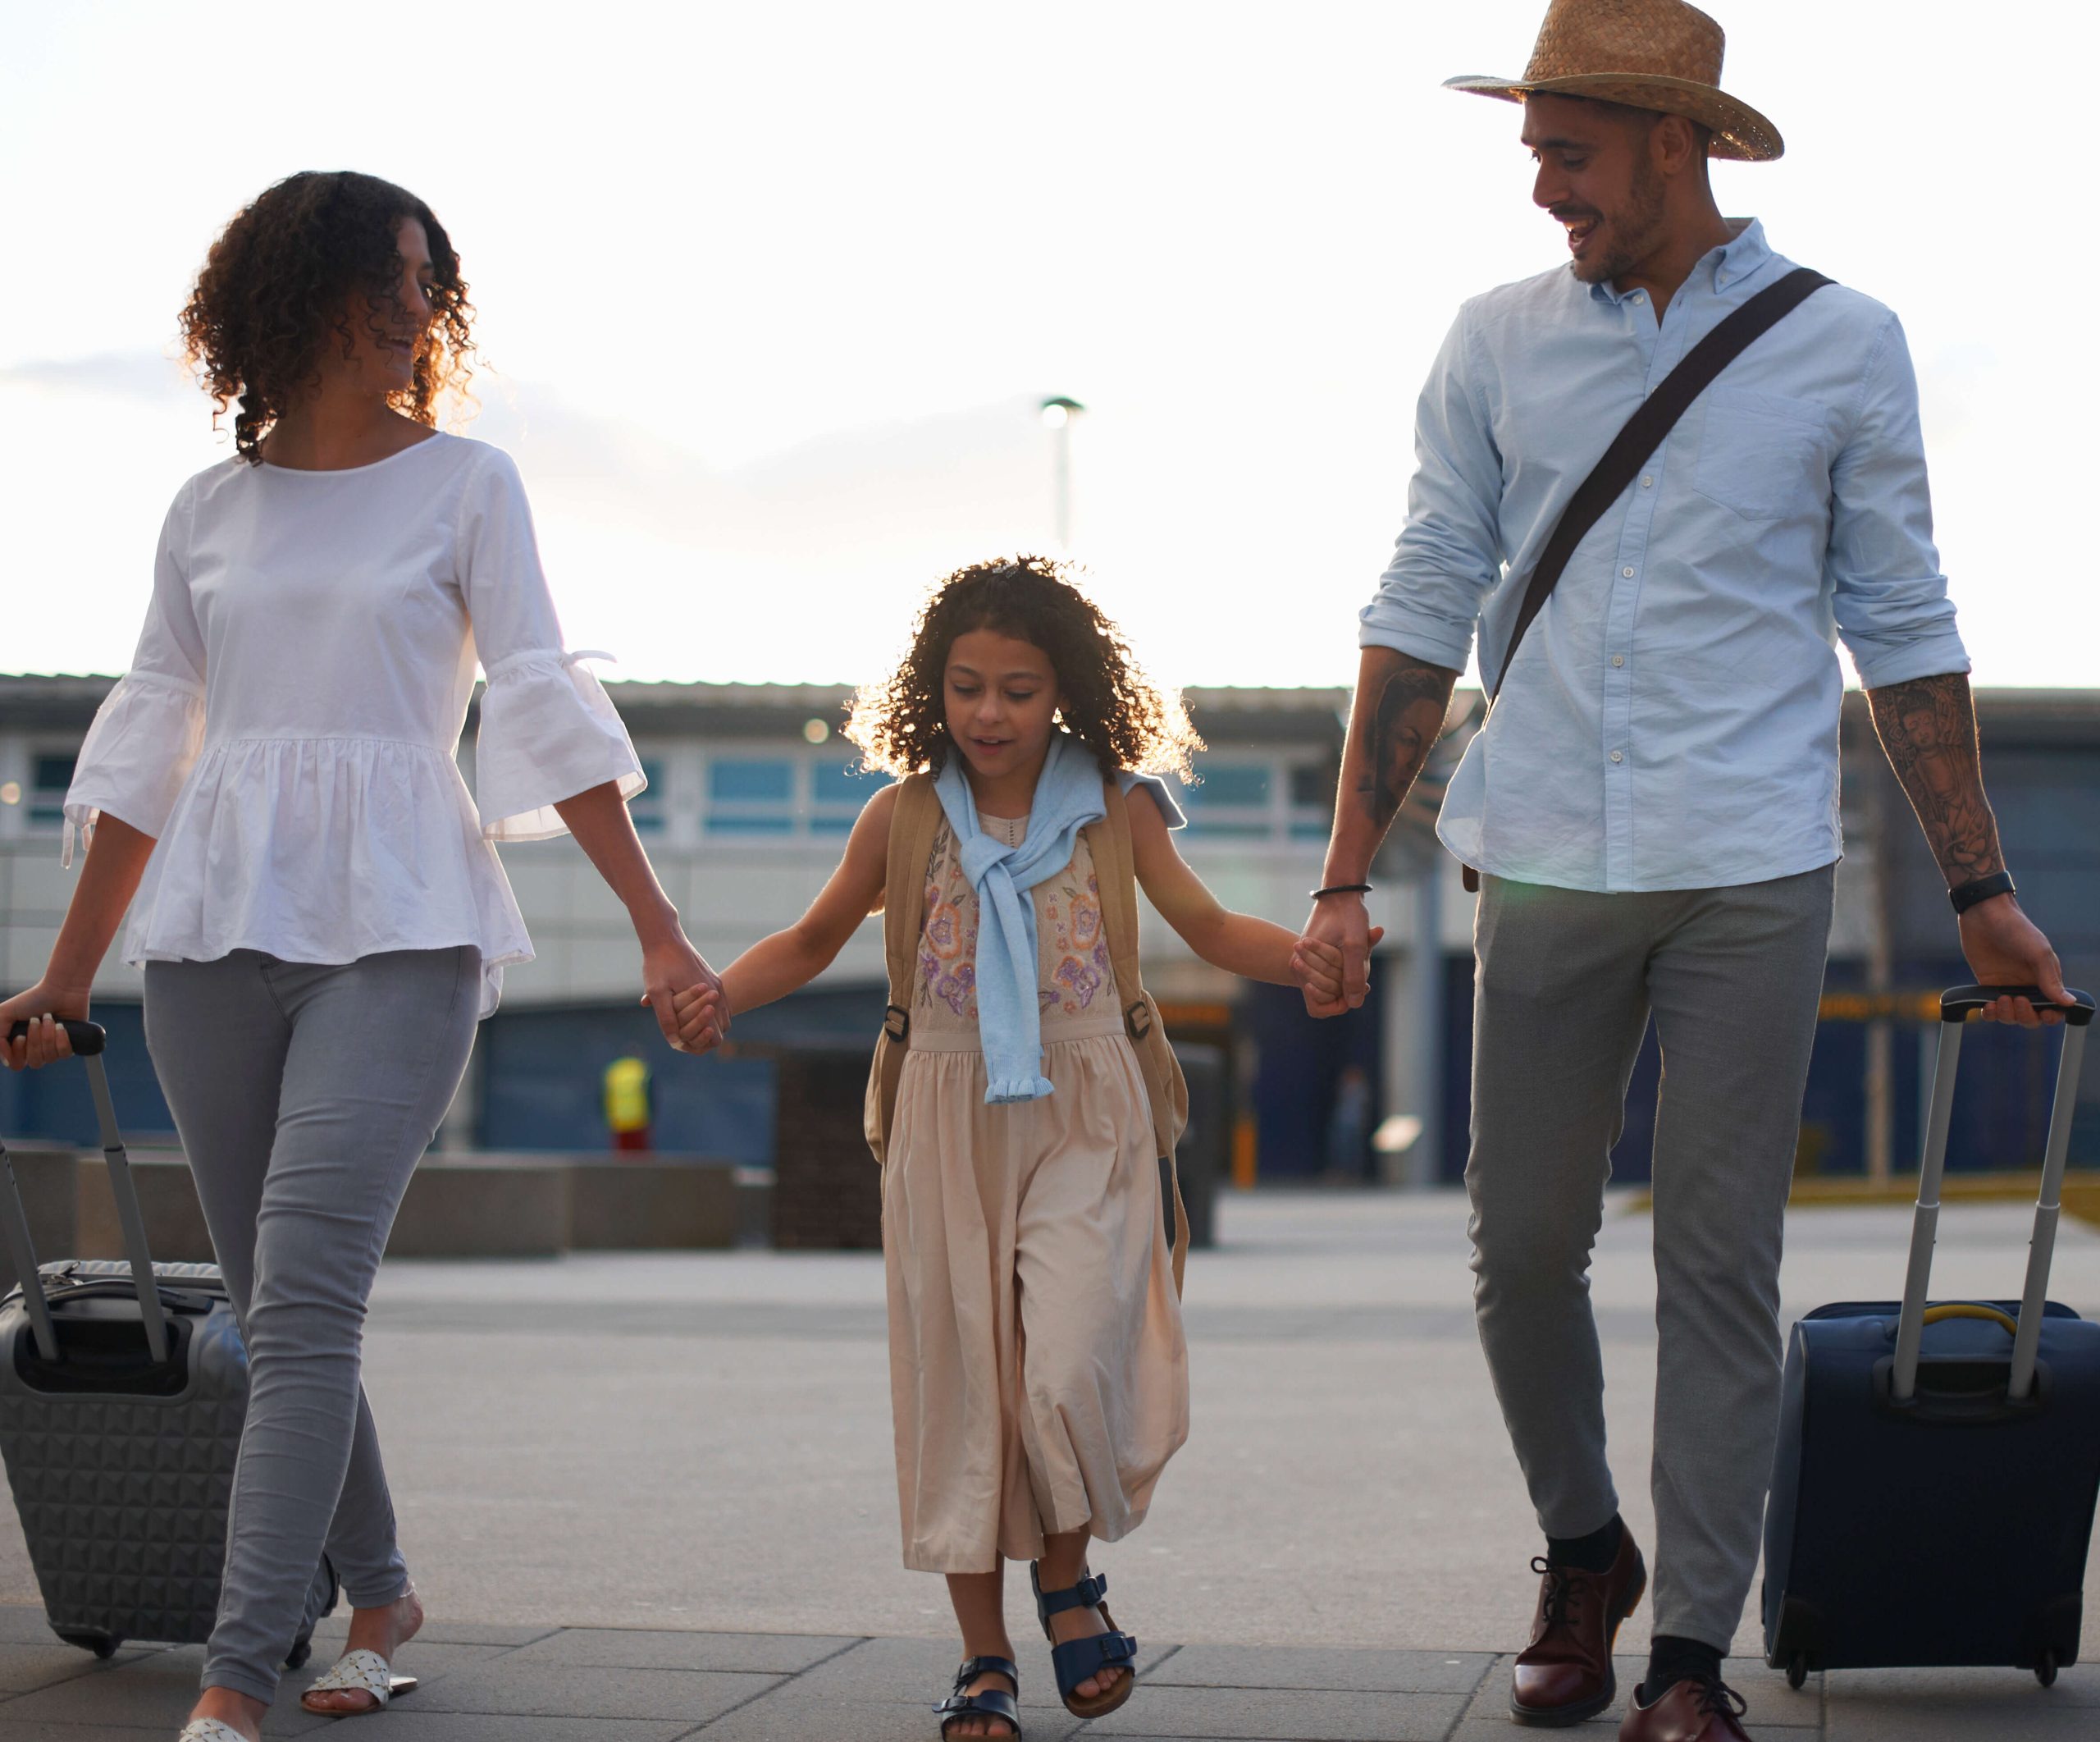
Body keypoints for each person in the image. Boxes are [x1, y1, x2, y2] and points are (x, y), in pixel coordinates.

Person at [1296, 4, 2069, 1739]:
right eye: (1531, 148)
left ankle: (1687, 1661)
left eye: (1564, 149)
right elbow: (1422, 598)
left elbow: (1900, 623)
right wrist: (1343, 876)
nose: (1539, 186)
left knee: (1718, 1259)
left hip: (1749, 861)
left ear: (1673, 141)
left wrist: (1977, 887)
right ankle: (1583, 1548)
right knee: (1520, 1249)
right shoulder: (1493, 341)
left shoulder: (1838, 342)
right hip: (1551, 854)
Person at [0, 171, 724, 1742]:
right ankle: (381, 1591)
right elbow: (147, 747)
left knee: (308, 1304)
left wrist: (658, 924)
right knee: (277, 1299)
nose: (417, 309)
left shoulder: (468, 484)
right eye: (391, 278)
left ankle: (236, 1673)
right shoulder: (207, 509)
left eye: (427, 282)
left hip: (403, 920)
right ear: (302, 291)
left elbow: (536, 700)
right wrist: (67, 973)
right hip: (211, 932)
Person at [692, 556, 1344, 1739]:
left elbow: (1202, 923)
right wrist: (716, 995)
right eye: (965, 687)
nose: (988, 714)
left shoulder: (1117, 807)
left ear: (1067, 695)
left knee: (1065, 1361)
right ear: (930, 691)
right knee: (963, 1385)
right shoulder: (903, 815)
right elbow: (811, 937)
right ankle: (984, 1656)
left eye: (1018, 690)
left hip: (1089, 1107)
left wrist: (1303, 956)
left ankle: (1064, 1573)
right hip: (946, 1112)